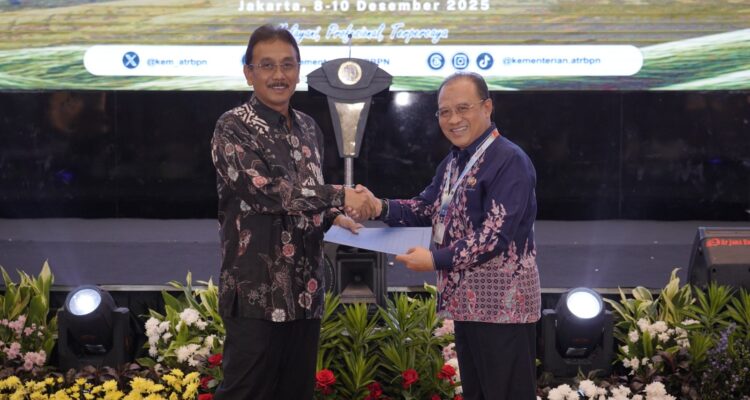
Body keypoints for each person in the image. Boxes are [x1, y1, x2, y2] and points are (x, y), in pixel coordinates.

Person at [210, 24, 372, 399]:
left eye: (287, 64)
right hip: (255, 292)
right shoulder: (232, 126)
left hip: (304, 292)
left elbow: (307, 192)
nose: (278, 75)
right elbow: (266, 192)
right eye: (267, 65)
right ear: (249, 72)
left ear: (299, 71)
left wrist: (334, 217)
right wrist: (340, 195)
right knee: (244, 392)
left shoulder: (309, 128)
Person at [357, 72, 541, 400]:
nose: (453, 119)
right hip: (468, 307)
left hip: (504, 311)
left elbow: (493, 236)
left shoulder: (509, 160)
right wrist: (377, 207)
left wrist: (434, 259)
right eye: (444, 112)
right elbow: (425, 208)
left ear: (487, 107)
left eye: (463, 108)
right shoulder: (455, 161)